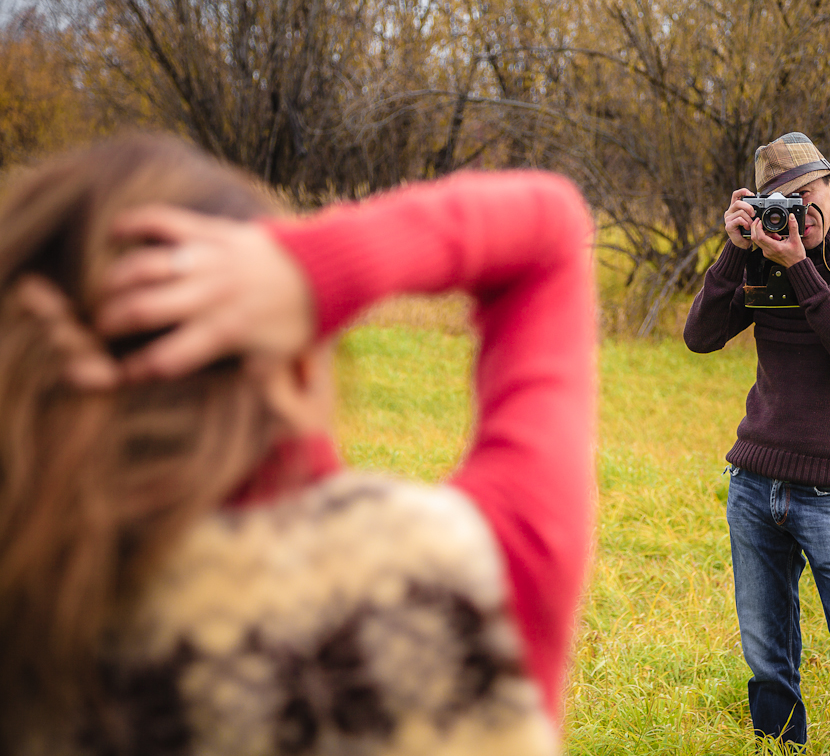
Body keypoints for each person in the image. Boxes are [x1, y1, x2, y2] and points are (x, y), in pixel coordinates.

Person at [0, 134, 595, 755]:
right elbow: (549, 233)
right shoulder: (478, 578)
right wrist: (316, 267)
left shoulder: (29, 631)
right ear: (298, 366)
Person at [683, 132, 830, 752]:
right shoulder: (760, 254)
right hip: (754, 485)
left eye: (805, 195)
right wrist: (736, 251)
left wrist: (798, 267)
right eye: (778, 202)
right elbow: (699, 337)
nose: (795, 213)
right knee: (768, 663)